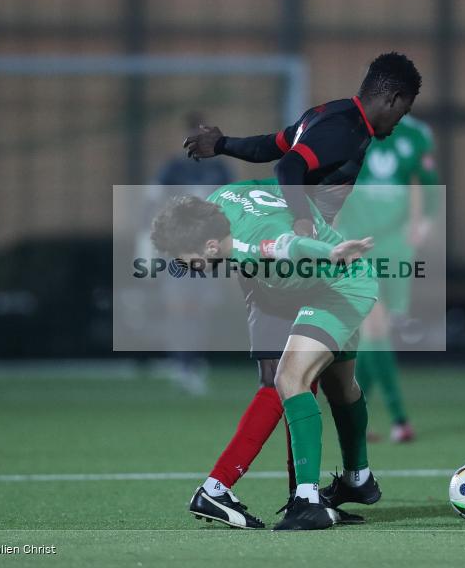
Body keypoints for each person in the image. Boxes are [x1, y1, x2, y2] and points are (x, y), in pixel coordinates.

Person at [178, 52, 422, 529]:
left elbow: (272, 144)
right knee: (285, 380)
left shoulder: (326, 113)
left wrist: (223, 143)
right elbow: (288, 169)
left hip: (295, 258)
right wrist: (303, 218)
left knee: (325, 380)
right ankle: (229, 489)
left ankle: (322, 492)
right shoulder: (344, 130)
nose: (401, 119)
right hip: (284, 261)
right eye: (404, 109)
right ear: (391, 98)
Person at [151, 181, 379, 530]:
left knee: (288, 380)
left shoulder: (250, 245)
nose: (187, 267)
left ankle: (304, 499)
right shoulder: (220, 201)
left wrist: (327, 252)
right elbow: (279, 181)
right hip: (306, 285)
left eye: (188, 259)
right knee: (338, 386)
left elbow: (286, 245)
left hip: (335, 287)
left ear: (210, 245)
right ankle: (355, 480)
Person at [335, 115, 437, 442]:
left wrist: (423, 222)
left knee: (376, 335)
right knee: (375, 326)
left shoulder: (416, 135)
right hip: (355, 240)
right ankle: (399, 419)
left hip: (394, 243)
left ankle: (350, 413)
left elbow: (422, 181)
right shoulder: (346, 130)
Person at [151, 113, 235, 395]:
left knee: (200, 308)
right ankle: (180, 362)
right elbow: (153, 205)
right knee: (178, 306)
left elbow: (231, 205)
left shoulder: (220, 169)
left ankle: (193, 361)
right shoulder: (173, 169)